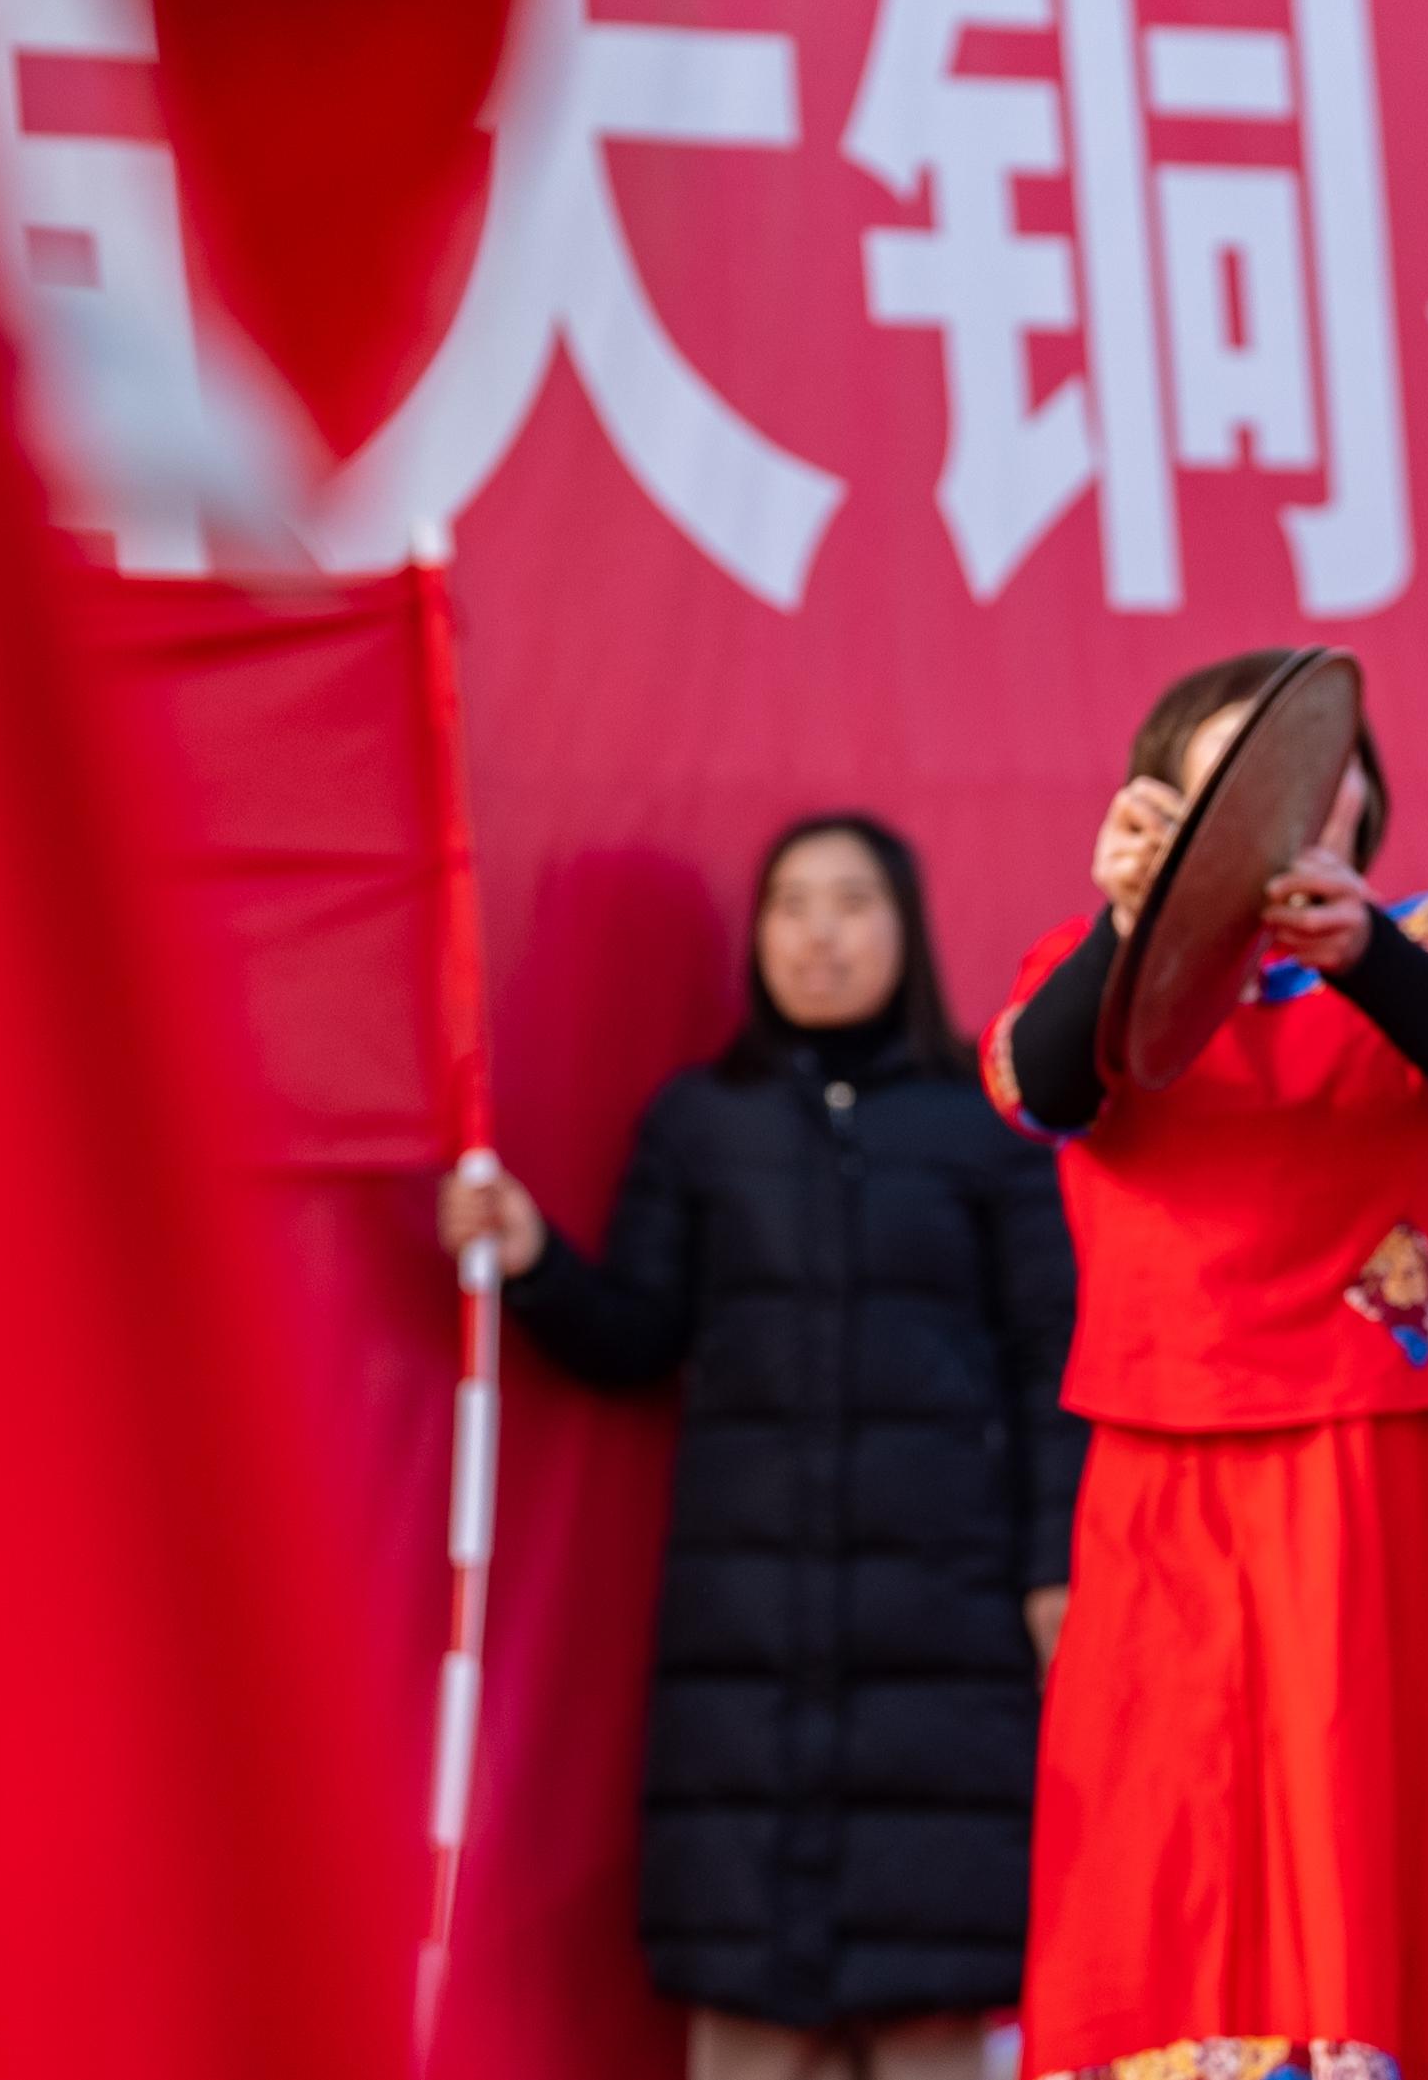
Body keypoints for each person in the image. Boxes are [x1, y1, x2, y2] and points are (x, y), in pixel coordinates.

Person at [987, 651, 1428, 2080]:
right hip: (1170, 1461)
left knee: (1397, 1824)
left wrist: (1359, 953)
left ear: (1361, 792)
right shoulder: (1081, 975)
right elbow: (1041, 1085)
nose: (1273, 807)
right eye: (1225, 780)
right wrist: (1127, 920)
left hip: (1398, 1459)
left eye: (1301, 769)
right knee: (1173, 1836)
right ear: (1158, 805)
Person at [440, 815, 1082, 2080]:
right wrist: (531, 1258)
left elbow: (1054, 1363)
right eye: (791, 905)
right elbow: (635, 1335)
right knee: (746, 1990)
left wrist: (1054, 1568)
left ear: (907, 925)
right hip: (747, 1634)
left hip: (945, 1627)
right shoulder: (699, 1122)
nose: (821, 933)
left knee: (935, 1989)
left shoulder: (983, 1123)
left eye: (852, 902)